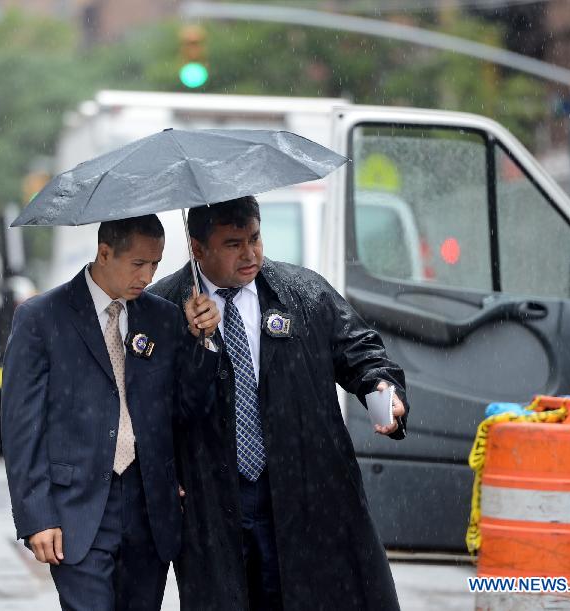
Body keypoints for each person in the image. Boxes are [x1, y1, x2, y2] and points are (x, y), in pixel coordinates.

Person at [150, 196, 409, 611]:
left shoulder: (303, 292)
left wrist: (382, 387)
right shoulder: (162, 308)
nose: (250, 253)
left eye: (255, 238)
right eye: (233, 243)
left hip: (297, 484)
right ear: (198, 249)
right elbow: (151, 407)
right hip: (212, 497)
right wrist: (194, 343)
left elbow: (360, 350)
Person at [2, 214, 221, 611]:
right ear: (104, 253)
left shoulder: (163, 317)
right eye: (139, 263)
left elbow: (186, 409)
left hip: (148, 506)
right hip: (77, 507)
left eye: (155, 264)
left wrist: (202, 343)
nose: (148, 275)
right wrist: (36, 514)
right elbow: (22, 427)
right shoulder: (41, 318)